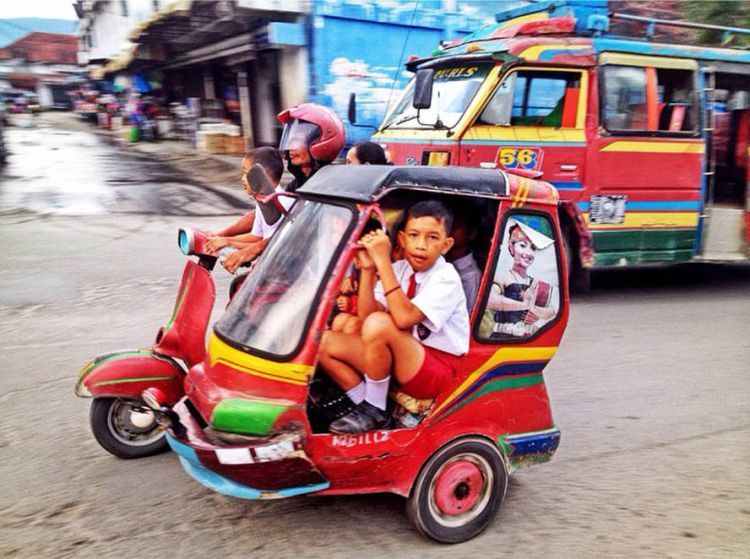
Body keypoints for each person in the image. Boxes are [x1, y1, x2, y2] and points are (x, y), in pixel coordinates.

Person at [319, 200, 469, 433]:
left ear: (446, 245)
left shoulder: (446, 277)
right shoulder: (400, 270)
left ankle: (375, 407)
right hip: (401, 356)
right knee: (324, 342)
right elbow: (367, 317)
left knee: (382, 323)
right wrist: (369, 271)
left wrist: (383, 262)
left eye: (432, 238)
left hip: (435, 367)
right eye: (414, 235)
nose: (421, 245)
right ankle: (365, 405)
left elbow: (402, 319)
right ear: (401, 239)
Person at [206, 147, 292, 273]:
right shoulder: (263, 201)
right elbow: (255, 237)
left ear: (262, 175)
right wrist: (224, 240)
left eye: (246, 173)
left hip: (282, 270)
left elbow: (268, 244)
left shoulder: (281, 202)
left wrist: (228, 242)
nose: (242, 179)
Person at [485, 220, 558, 338]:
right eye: (522, 246)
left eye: (533, 248)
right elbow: (490, 300)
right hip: (501, 338)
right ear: (511, 247)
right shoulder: (503, 277)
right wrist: (524, 305)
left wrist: (536, 311)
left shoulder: (535, 283)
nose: (528, 253)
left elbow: (552, 311)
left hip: (525, 339)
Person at [277, 103, 345, 192]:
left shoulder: (334, 183)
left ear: (321, 142)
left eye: (297, 141)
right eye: (290, 141)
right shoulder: (296, 184)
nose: (291, 148)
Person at [446, 208, 482, 311]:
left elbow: (467, 313)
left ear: (472, 234)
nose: (450, 230)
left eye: (457, 226)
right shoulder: (441, 260)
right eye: (449, 225)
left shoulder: (470, 275)